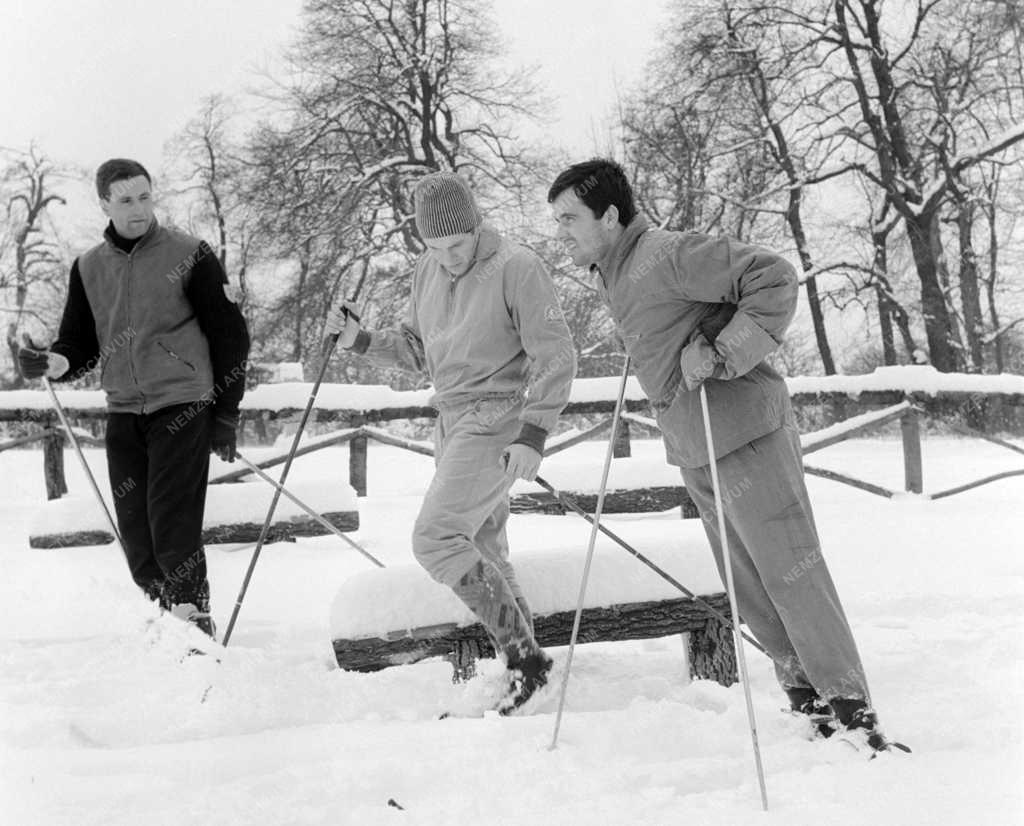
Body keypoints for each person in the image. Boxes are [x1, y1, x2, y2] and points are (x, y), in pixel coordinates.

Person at [547, 158, 893, 748]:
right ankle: (807, 701)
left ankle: (853, 710)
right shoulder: (617, 270)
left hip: (745, 433)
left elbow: (775, 277)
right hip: (697, 446)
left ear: (608, 216)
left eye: (569, 219)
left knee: (791, 570)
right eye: (557, 221)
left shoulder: (669, 252)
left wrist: (721, 348)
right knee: (748, 584)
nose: (562, 234)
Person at [326, 171, 576, 713]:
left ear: (476, 226)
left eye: (457, 245)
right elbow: (416, 349)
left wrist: (534, 433)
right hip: (451, 416)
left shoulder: (517, 267)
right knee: (482, 545)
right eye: (435, 248)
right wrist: (358, 340)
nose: (449, 257)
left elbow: (556, 353)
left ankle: (526, 660)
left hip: (498, 416)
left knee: (435, 538)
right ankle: (523, 668)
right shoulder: (428, 270)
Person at [18, 159, 250, 638]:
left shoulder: (190, 253)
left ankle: (193, 618)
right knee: (138, 535)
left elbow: (230, 335)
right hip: (124, 410)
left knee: (171, 521)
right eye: (125, 200)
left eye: (145, 196)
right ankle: (165, 619)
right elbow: (78, 346)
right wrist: (53, 363)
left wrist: (225, 414)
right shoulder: (87, 268)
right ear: (103, 202)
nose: (138, 208)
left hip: (182, 402)